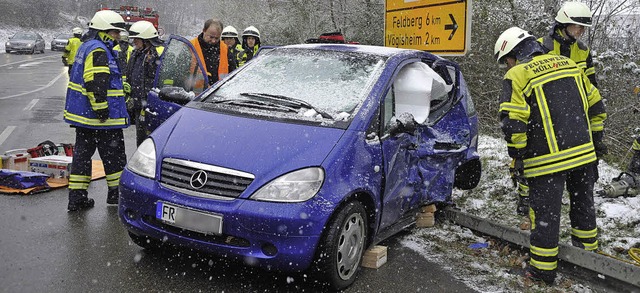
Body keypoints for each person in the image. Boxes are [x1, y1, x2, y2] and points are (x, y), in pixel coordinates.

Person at [494, 27, 607, 284]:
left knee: (545, 217)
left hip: (546, 161)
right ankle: (587, 260)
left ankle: (542, 272)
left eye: (506, 61)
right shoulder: (569, 64)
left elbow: (513, 121)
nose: (507, 66)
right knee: (583, 208)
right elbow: (597, 106)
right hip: (583, 154)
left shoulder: (518, 74)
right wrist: (597, 144)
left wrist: (519, 155)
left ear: (512, 54)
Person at [63, 10, 129, 211]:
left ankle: (77, 198)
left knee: (82, 158)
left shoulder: (87, 46)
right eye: (115, 32)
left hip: (85, 118)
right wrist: (102, 110)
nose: (117, 36)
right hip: (101, 119)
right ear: (104, 30)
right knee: (115, 157)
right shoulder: (100, 50)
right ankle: (116, 197)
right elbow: (96, 83)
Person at [124, 20, 165, 146]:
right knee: (141, 139)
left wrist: (147, 103)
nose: (134, 42)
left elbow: (156, 80)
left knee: (150, 141)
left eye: (137, 39)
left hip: (151, 106)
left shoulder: (157, 55)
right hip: (138, 105)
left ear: (147, 40)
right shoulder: (136, 53)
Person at [190, 19, 229, 86]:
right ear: (204, 30)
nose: (213, 41)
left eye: (217, 38)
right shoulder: (190, 46)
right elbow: (180, 73)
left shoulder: (225, 49)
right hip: (194, 94)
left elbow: (233, 74)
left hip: (219, 93)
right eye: (211, 37)